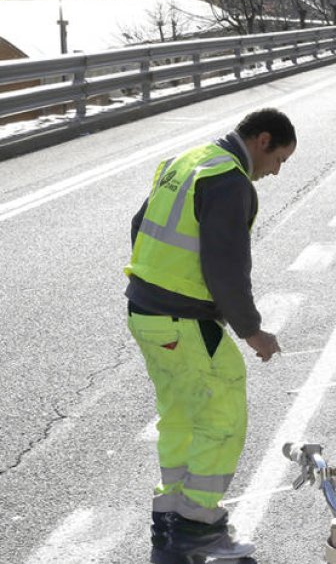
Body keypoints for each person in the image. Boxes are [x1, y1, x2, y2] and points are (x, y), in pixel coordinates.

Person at [124, 108, 295, 561]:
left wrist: (158, 282)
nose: (275, 171)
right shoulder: (229, 180)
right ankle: (199, 524)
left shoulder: (188, 161)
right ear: (262, 140)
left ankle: (170, 523)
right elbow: (225, 266)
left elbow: (139, 227)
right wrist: (252, 330)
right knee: (222, 419)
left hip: (145, 312)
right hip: (186, 320)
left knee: (179, 417)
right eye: (279, 159)